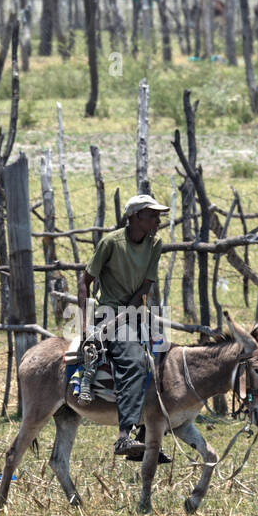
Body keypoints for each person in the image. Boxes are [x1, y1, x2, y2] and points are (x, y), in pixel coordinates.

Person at [78, 193, 168, 458]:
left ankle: (145, 436)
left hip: (135, 311)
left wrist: (129, 312)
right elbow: (85, 282)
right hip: (108, 314)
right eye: (152, 215)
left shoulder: (155, 243)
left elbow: (145, 286)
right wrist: (85, 327)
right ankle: (123, 437)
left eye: (159, 215)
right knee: (135, 362)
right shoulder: (111, 243)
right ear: (134, 217)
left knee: (167, 363)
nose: (158, 220)